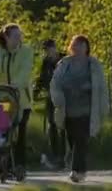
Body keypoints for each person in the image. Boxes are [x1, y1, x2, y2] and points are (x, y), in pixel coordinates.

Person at [50, 35, 109, 183]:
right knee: (72, 141)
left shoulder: (94, 65)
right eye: (75, 45)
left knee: (81, 140)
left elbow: (101, 87)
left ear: (86, 48)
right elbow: (55, 83)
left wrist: (103, 107)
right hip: (68, 109)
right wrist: (58, 99)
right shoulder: (64, 64)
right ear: (71, 47)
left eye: (81, 45)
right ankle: (79, 169)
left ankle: (77, 170)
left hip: (87, 110)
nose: (77, 48)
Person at [0, 23, 34, 181]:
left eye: (20, 35)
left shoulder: (26, 52)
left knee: (20, 132)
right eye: (15, 36)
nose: (18, 39)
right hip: (4, 99)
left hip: (22, 100)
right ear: (6, 37)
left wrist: (15, 84)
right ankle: (3, 163)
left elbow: (25, 71)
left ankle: (20, 165)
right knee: (3, 131)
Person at [36, 39, 66, 169]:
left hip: (65, 98)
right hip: (51, 97)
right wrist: (35, 91)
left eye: (49, 49)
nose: (48, 52)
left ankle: (65, 156)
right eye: (46, 50)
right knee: (52, 126)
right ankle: (55, 156)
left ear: (54, 48)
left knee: (63, 127)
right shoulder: (46, 62)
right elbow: (42, 78)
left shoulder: (65, 60)